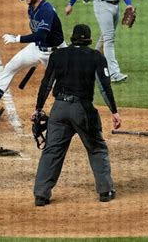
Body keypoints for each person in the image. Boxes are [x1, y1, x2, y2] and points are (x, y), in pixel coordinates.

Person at [32, 24, 121, 207]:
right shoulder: (95, 57)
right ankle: (105, 191)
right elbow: (104, 87)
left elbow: (46, 84)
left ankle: (41, 194)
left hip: (59, 109)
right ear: (88, 40)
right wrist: (114, 111)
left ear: (72, 38)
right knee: (96, 148)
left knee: (52, 151)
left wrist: (38, 108)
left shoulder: (57, 55)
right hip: (82, 110)